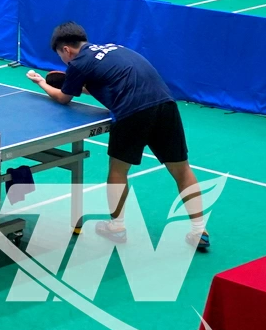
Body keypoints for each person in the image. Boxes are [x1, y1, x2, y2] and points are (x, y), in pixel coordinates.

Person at [26, 22, 209, 252]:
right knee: (182, 170)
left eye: (61, 56)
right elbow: (109, 82)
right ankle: (199, 230)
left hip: (132, 111)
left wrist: (41, 82)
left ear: (66, 50)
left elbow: (63, 98)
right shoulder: (116, 48)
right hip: (165, 104)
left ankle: (117, 227)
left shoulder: (78, 63)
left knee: (118, 170)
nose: (64, 61)